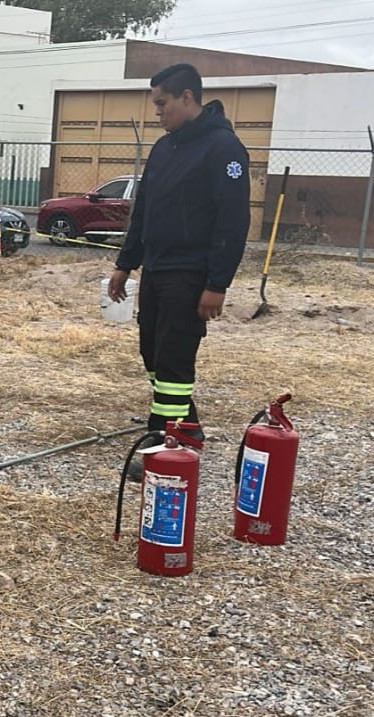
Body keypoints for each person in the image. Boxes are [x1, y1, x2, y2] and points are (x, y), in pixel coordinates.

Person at [107, 63, 251, 478]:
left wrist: (217, 284)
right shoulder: (164, 148)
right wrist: (125, 264)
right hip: (156, 268)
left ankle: (167, 441)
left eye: (163, 103)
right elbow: (144, 213)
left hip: (190, 273)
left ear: (188, 98)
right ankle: (185, 424)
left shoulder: (223, 148)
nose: (158, 112)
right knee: (152, 352)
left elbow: (232, 221)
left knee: (173, 357)